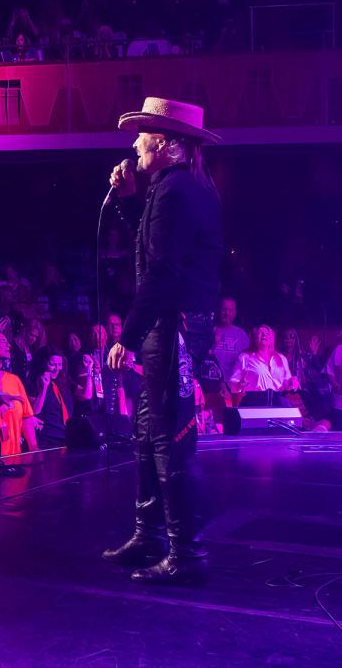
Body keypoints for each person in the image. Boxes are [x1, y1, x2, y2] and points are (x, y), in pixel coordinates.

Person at [103, 97, 222, 585]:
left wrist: (127, 337)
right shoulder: (177, 186)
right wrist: (129, 199)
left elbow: (162, 273)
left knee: (170, 438)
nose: (134, 144)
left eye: (143, 135)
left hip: (173, 325)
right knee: (149, 432)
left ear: (168, 143)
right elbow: (154, 250)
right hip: (173, 322)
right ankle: (150, 536)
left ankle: (186, 554)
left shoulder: (176, 191)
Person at [228, 325, 299, 399]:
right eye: (260, 332)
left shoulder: (281, 358)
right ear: (254, 337)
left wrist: (292, 382)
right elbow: (233, 382)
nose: (264, 335)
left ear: (272, 338)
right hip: (255, 401)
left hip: (278, 401)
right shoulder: (245, 357)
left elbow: (287, 382)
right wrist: (239, 385)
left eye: (267, 333)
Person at [29, 349, 72, 448]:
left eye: (59, 365)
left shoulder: (58, 382)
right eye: (52, 364)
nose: (56, 369)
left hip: (62, 435)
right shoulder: (35, 382)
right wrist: (43, 387)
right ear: (43, 364)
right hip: (46, 438)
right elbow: (34, 411)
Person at [212, 297, 248, 390]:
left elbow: (247, 362)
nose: (227, 313)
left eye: (230, 310)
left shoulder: (241, 334)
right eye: (224, 310)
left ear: (235, 313)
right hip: (212, 384)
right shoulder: (210, 331)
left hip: (233, 385)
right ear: (219, 311)